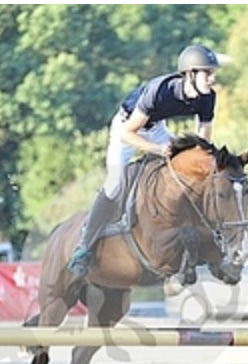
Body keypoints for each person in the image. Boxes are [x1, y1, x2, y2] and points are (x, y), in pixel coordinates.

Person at [67, 44, 221, 277]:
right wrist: (158, 149)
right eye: (207, 73)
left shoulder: (208, 97)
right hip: (127, 128)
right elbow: (128, 134)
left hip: (156, 128)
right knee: (115, 185)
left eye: (212, 72)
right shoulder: (160, 91)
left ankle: (207, 240)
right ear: (190, 74)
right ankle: (84, 246)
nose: (212, 78)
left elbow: (203, 140)